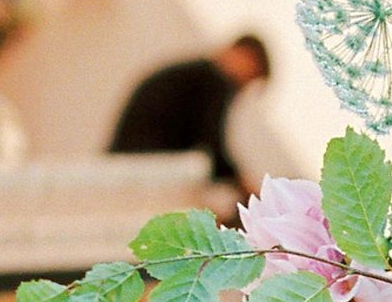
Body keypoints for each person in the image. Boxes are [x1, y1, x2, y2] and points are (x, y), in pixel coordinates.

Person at [106, 34, 270, 190]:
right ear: (246, 57)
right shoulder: (214, 80)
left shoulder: (191, 76)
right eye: (252, 76)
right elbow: (211, 142)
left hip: (127, 164)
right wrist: (241, 183)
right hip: (146, 170)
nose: (244, 87)